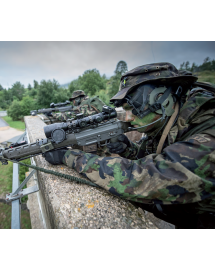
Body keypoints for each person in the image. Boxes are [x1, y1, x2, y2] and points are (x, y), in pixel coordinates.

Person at [44, 62, 215, 228]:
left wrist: (72, 158)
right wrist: (128, 149)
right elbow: (154, 157)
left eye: (133, 107)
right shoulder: (170, 121)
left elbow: (148, 177)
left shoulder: (208, 127)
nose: (128, 117)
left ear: (160, 99)